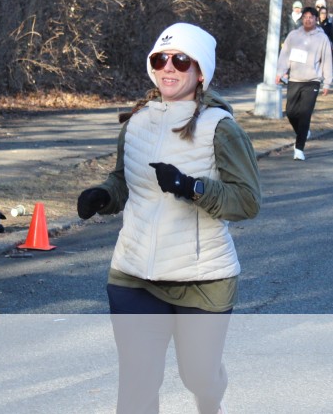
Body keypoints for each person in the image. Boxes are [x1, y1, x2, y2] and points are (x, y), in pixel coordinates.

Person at [76, 22, 260, 414]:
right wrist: (104, 196)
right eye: (160, 59)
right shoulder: (138, 120)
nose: (169, 68)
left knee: (199, 377)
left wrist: (191, 187)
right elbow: (124, 180)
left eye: (181, 60)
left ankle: (210, 400)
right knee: (137, 384)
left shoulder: (220, 128)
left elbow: (247, 201)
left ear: (201, 71)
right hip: (134, 275)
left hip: (203, 280)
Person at [275, 6, 333, 160]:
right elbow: (285, 55)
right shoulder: (293, 35)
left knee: (305, 113)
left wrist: (327, 82)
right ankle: (303, 131)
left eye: (311, 17)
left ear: (316, 19)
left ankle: (299, 148)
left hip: (312, 81)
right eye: (305, 17)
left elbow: (327, 60)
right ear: (302, 19)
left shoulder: (322, 38)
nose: (308, 20)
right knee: (291, 112)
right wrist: (280, 72)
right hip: (294, 78)